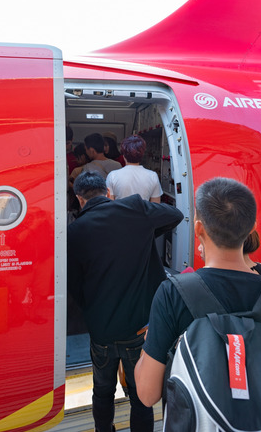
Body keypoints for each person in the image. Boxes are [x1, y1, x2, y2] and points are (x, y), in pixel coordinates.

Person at [134, 177, 261, 408]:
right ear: (252, 228)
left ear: (198, 228)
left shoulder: (172, 295)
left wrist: (148, 346)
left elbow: (147, 394)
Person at [68, 171, 184, 432]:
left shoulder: (75, 231)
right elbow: (175, 216)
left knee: (102, 390)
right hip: (138, 328)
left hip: (101, 331)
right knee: (141, 396)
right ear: (107, 192)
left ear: (79, 199)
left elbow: (75, 287)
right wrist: (147, 233)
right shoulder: (134, 208)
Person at [106, 135, 163, 203]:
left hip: (119, 214)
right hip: (143, 214)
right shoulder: (153, 176)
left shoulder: (112, 176)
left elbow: (109, 205)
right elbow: (155, 207)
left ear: (123, 155)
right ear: (142, 154)